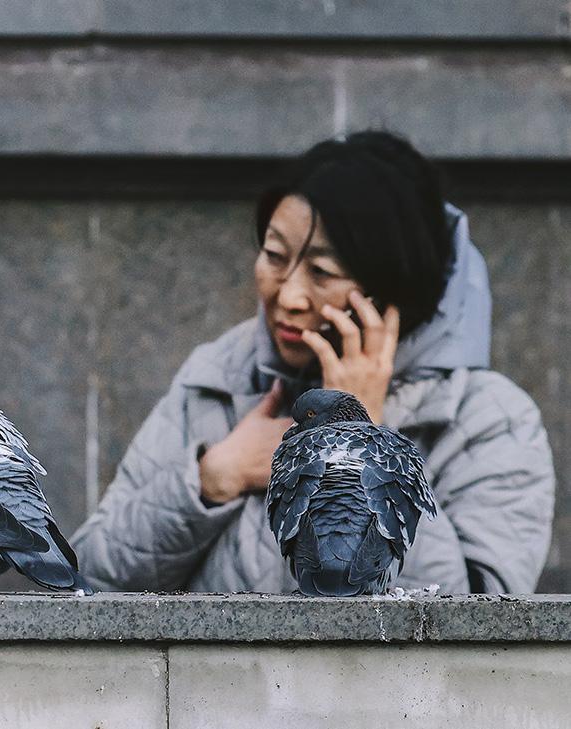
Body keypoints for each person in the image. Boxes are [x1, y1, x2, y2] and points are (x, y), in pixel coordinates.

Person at [71, 131, 555, 594]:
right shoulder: (220, 375)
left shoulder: (490, 419)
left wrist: (363, 442)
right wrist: (213, 479)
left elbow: (481, 626)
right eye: (274, 255)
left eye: (322, 272)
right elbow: (87, 579)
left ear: (391, 287)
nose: (288, 295)